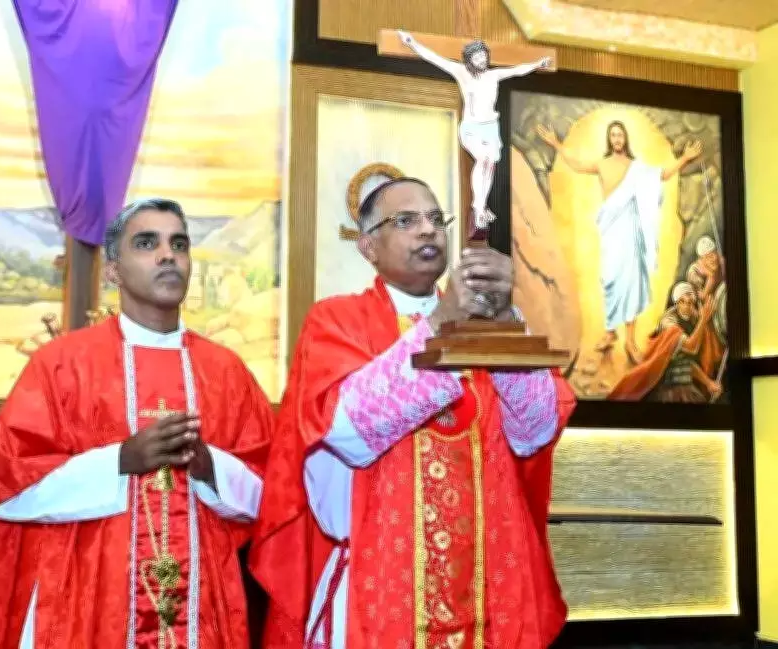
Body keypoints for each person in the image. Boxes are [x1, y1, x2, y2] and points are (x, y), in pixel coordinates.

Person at [250, 177, 576, 649]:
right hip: (381, 578)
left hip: (487, 579)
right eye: (406, 221)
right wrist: (443, 321)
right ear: (368, 247)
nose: (428, 231)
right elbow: (346, 430)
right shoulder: (338, 320)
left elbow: (534, 432)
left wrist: (503, 320)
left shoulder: (486, 322)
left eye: (435, 219)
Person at [0, 198, 273, 648]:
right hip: (89, 595)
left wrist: (212, 468)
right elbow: (5, 489)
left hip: (201, 600)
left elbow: (273, 498)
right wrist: (120, 459)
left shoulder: (225, 373)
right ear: (114, 272)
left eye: (178, 243)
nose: (167, 254)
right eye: (146, 243)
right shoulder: (63, 364)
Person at [536, 120, 703, 364]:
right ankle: (610, 332)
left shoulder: (636, 168)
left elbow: (663, 175)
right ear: (609, 139)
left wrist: (685, 159)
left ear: (625, 138)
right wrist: (556, 144)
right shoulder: (602, 164)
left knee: (631, 282)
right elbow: (578, 164)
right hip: (612, 231)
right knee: (612, 280)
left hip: (631, 229)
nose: (617, 139)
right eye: (613, 135)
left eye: (620, 134)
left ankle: (630, 340)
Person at [399, 31, 550, 231]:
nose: (482, 60)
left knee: (490, 165)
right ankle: (477, 208)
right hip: (472, 128)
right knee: (483, 160)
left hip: (490, 127)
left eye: (484, 56)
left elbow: (518, 70)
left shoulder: (493, 75)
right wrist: (412, 43)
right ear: (469, 60)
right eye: (477, 57)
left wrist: (538, 63)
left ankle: (482, 204)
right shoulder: (461, 72)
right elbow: (434, 58)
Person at [607, 281, 724, 402]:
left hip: (685, 387)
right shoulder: (669, 323)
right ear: (677, 303)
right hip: (669, 392)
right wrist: (703, 320)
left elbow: (685, 363)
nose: (687, 306)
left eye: (690, 302)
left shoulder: (691, 319)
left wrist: (709, 383)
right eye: (682, 301)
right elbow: (690, 347)